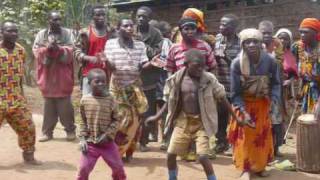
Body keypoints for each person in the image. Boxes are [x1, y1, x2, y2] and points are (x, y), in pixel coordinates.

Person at [146, 49, 234, 180]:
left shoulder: (209, 79)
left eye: (203, 66)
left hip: (202, 123)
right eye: (196, 66)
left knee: (203, 157)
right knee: (170, 154)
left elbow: (222, 97)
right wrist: (157, 116)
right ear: (186, 64)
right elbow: (169, 101)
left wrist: (237, 117)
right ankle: (172, 177)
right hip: (183, 121)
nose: (200, 69)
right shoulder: (176, 79)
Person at [228, 28, 280, 180]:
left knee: (262, 137)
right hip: (244, 104)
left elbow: (276, 83)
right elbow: (235, 93)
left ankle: (260, 167)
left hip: (263, 104)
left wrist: (274, 101)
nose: (251, 45)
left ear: (261, 43)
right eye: (247, 42)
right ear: (242, 45)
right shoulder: (237, 64)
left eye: (255, 41)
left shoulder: (270, 61)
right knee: (245, 138)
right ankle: (246, 169)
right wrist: (243, 112)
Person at [104, 18, 157, 162]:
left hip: (134, 87)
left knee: (135, 121)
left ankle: (129, 152)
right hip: (117, 87)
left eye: (131, 26)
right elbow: (111, 66)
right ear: (118, 28)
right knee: (119, 120)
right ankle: (116, 153)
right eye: (125, 25)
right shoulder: (110, 44)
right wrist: (105, 61)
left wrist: (151, 63)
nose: (129, 28)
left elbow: (143, 64)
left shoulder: (140, 45)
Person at [33, 10, 76, 142]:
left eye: (59, 19)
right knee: (48, 106)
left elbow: (72, 50)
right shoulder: (41, 34)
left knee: (65, 106)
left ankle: (70, 130)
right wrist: (47, 49)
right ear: (49, 21)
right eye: (55, 19)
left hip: (63, 74)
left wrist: (59, 49)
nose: (58, 22)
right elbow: (36, 50)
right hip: (48, 74)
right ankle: (47, 132)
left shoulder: (68, 33)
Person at [0, 21, 40, 165]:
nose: (14, 34)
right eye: (10, 31)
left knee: (28, 126)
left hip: (16, 97)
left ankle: (28, 156)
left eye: (16, 31)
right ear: (1, 33)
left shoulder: (21, 50)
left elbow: (19, 77)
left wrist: (22, 97)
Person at [77, 69, 126, 180]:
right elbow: (82, 121)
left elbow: (116, 119)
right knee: (83, 169)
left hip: (108, 144)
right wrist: (83, 139)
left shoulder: (111, 99)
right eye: (97, 81)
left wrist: (107, 135)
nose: (101, 84)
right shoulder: (85, 100)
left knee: (118, 168)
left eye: (103, 81)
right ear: (89, 83)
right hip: (90, 143)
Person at [135, 6, 163, 151]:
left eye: (144, 17)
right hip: (132, 78)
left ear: (149, 18)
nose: (140, 19)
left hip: (149, 79)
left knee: (148, 111)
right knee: (132, 111)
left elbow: (156, 54)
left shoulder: (156, 34)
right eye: (138, 16)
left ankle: (143, 141)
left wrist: (142, 44)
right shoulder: (130, 30)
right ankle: (130, 141)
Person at [214, 14, 241, 154]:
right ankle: (221, 142)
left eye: (225, 25)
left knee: (236, 116)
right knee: (221, 115)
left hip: (236, 86)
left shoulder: (241, 42)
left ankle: (234, 143)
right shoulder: (217, 39)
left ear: (234, 27)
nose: (221, 27)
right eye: (221, 24)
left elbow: (240, 66)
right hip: (221, 85)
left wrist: (225, 57)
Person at [74, 4, 112, 95]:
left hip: (106, 75)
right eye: (98, 15)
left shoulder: (111, 32)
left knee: (105, 103)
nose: (101, 17)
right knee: (88, 100)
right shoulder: (85, 33)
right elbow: (76, 50)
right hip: (88, 74)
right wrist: (88, 57)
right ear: (92, 16)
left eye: (103, 15)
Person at [274, 28, 298, 157]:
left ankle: (277, 146)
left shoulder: (290, 54)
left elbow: (294, 73)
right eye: (280, 37)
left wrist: (289, 81)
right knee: (271, 118)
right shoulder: (270, 52)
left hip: (285, 92)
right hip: (271, 91)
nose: (283, 40)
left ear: (289, 41)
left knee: (281, 119)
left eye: (286, 38)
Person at [292, 18, 320, 118]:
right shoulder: (298, 48)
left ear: (315, 33)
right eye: (301, 32)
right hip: (307, 92)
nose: (302, 35)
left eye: (306, 32)